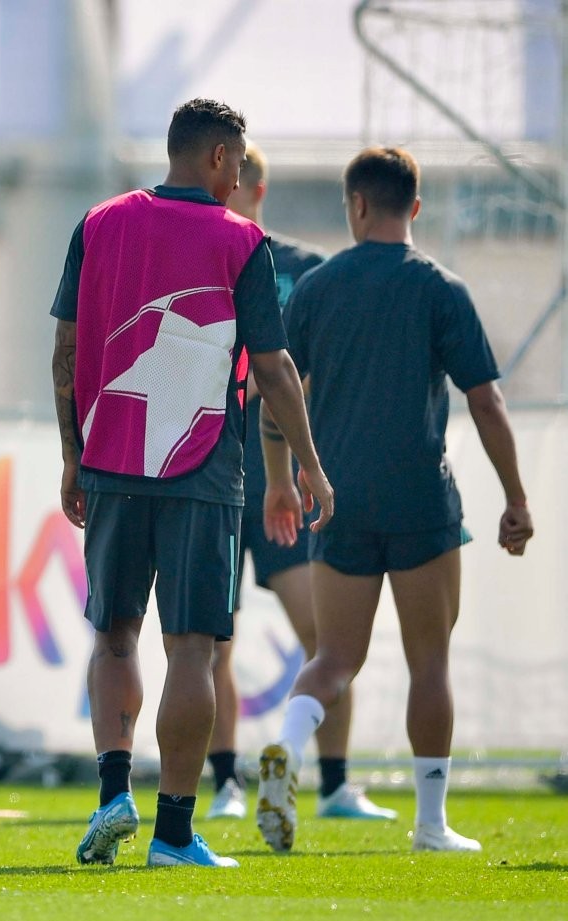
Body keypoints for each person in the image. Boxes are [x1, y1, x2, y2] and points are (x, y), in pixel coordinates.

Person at [50, 98, 333, 869]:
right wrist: (306, 459)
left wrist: (71, 454)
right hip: (202, 465)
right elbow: (271, 366)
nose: (239, 176)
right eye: (237, 163)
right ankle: (174, 833)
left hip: (110, 455)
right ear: (215, 158)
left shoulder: (98, 222)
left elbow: (66, 351)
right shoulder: (240, 239)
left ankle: (113, 793)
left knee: (112, 634)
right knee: (191, 649)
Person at [256, 146, 532, 854]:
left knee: (333, 659)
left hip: (338, 500)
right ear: (414, 207)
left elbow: (276, 398)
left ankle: (286, 746)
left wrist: (281, 480)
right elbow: (486, 401)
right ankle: (431, 823)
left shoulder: (316, 288)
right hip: (419, 499)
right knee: (428, 662)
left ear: (353, 205)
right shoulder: (439, 287)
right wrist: (513, 495)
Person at [205, 143, 395, 823]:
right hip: (213, 476)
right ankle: (223, 783)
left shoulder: (304, 270)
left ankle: (336, 783)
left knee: (325, 636)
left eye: (230, 187)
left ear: (252, 191)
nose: (219, 198)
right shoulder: (194, 259)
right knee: (210, 640)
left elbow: (310, 369)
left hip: (280, 479)